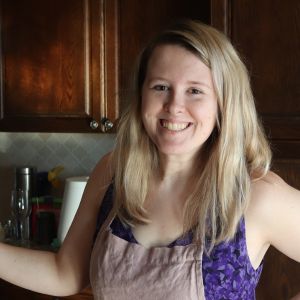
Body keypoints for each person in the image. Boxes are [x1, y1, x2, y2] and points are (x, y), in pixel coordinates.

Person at [1, 19, 300, 300]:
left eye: (195, 91)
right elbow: (65, 274)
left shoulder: (255, 195)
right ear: (142, 95)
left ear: (224, 103)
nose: (174, 106)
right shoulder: (113, 172)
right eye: (160, 87)